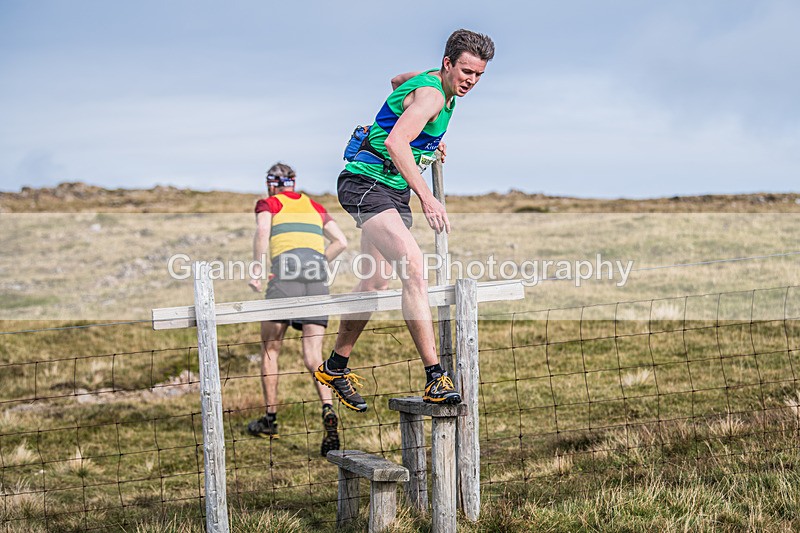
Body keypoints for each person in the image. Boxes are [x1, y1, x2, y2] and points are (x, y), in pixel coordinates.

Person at [314, 29, 495, 412]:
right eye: (465, 71)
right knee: (414, 268)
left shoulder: (436, 88)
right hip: (367, 182)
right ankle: (435, 378)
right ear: (447, 63)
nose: (471, 82)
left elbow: (398, 82)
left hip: (391, 189)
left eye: (478, 75)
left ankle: (334, 366)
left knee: (375, 281)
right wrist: (427, 196)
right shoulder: (432, 94)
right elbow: (396, 143)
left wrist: (427, 139)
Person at [247, 162, 348, 457]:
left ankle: (270, 418)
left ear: (270, 183)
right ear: (294, 182)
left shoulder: (268, 203)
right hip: (316, 279)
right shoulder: (313, 205)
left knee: (270, 348)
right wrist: (316, 263)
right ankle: (328, 408)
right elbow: (340, 242)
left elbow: (263, 232)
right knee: (313, 355)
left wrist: (257, 268)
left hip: (284, 279)